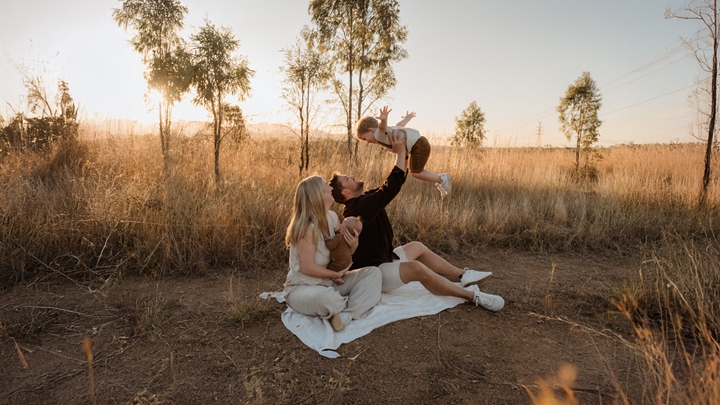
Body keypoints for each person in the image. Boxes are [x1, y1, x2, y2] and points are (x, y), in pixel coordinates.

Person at [329, 130, 504, 311]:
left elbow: (393, 183)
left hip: (385, 259)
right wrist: (399, 153)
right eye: (347, 179)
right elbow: (390, 189)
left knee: (417, 247)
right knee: (417, 269)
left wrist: (404, 154)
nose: (352, 176)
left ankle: (463, 275)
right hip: (373, 272)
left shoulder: (364, 199)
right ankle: (472, 296)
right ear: (345, 192)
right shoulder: (356, 208)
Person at [283, 176, 382, 331]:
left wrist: (353, 246)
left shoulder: (333, 217)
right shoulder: (306, 227)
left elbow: (340, 252)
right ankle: (356, 304)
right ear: (317, 195)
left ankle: (345, 315)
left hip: (331, 282)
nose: (331, 189)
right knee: (326, 299)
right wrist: (335, 275)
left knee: (373, 273)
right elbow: (307, 268)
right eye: (326, 187)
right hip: (303, 286)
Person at [355, 106, 451, 197]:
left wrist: (383, 119)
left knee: (416, 172)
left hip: (418, 145)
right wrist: (407, 119)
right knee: (416, 170)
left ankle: (441, 179)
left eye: (364, 138)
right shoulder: (386, 133)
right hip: (420, 143)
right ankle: (441, 179)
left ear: (371, 130)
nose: (367, 142)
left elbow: (382, 128)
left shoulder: (378, 135)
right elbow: (399, 125)